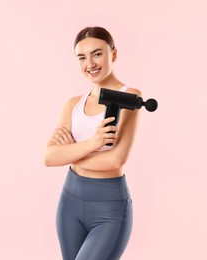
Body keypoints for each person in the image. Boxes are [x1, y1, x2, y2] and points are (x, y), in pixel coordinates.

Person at [44, 26, 141, 260]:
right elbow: (49, 158)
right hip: (69, 202)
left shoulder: (130, 97)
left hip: (109, 208)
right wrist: (93, 143)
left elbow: (116, 159)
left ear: (113, 54)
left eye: (97, 54)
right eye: (82, 57)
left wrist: (69, 152)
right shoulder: (73, 105)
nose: (90, 64)